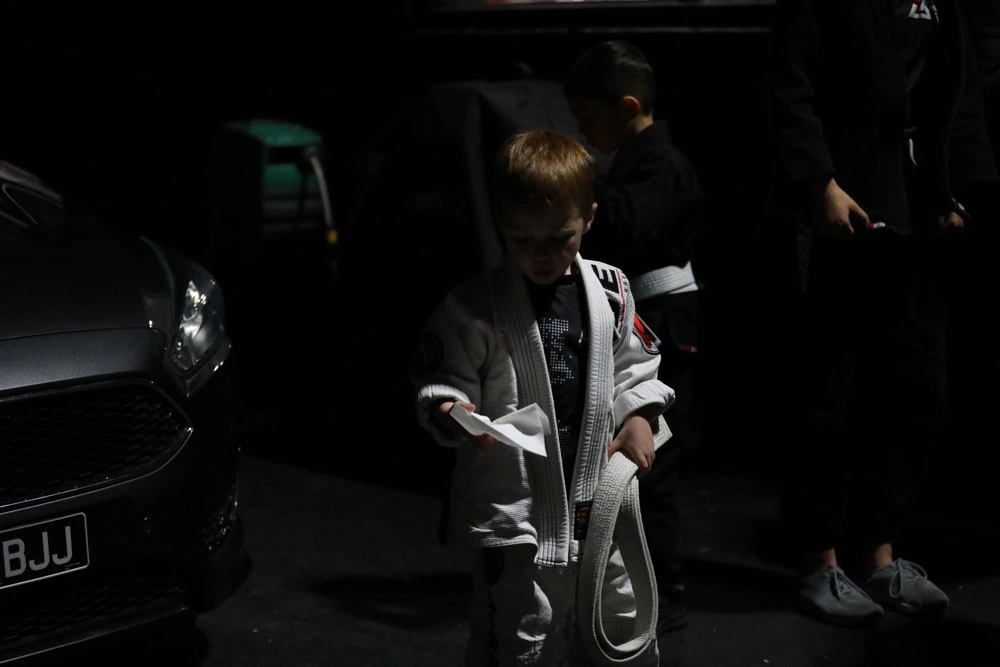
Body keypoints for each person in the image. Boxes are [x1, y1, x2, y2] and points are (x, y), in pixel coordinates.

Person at [771, 0, 999, 626]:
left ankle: (880, 555)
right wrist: (818, 181)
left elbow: (962, 92)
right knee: (828, 400)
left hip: (919, 220)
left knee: (917, 395)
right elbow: (789, 83)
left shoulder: (944, 3)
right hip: (844, 215)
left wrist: (959, 192)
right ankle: (819, 562)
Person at [411, 129, 674, 666]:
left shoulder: (612, 291)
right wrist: (450, 409)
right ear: (501, 224)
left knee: (618, 622)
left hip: (598, 499)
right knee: (522, 635)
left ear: (589, 219)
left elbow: (636, 364)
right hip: (519, 512)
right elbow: (443, 377)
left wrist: (640, 416)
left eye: (559, 238)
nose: (542, 255)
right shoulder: (473, 305)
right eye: (523, 240)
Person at [563, 38, 705, 634]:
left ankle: (664, 590)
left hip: (665, 322)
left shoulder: (663, 165)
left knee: (654, 460)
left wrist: (577, 179)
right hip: (643, 321)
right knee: (630, 455)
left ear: (626, 107)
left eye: (588, 118)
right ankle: (633, 580)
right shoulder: (636, 162)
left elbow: (627, 227)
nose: (583, 130)